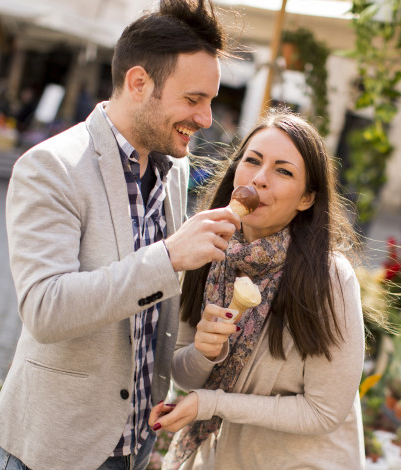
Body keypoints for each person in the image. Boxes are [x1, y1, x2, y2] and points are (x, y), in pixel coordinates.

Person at [0, 1, 239, 469]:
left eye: (210, 100)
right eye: (193, 99)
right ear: (139, 83)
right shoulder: (51, 167)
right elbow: (45, 309)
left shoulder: (176, 169)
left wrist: (201, 345)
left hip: (134, 447)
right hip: (51, 452)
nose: (207, 118)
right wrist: (168, 258)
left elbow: (153, 324)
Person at [148, 110, 367, 470]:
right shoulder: (205, 250)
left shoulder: (330, 278)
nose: (260, 179)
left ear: (307, 198)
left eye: (283, 171)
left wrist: (213, 404)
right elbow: (185, 374)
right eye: (252, 161)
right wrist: (203, 352)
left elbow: (324, 411)